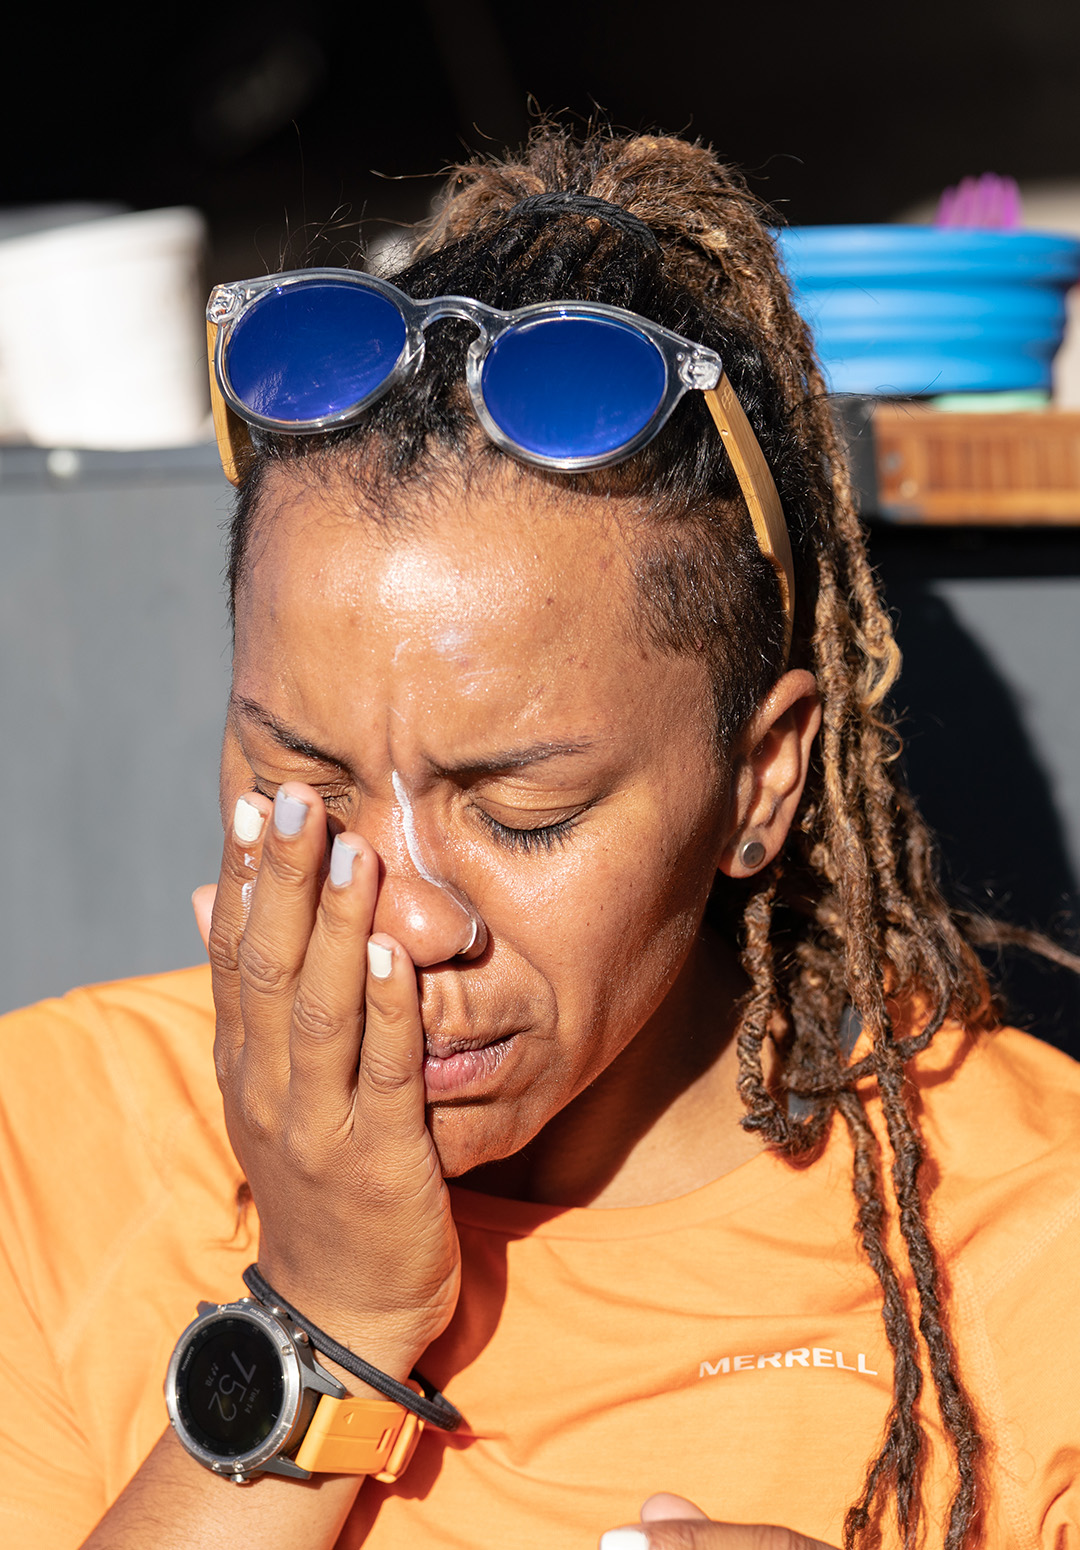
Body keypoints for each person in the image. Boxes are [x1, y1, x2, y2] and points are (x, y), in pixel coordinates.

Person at [2, 125, 1079, 1550]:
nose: (398, 915)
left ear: (759, 782)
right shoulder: (51, 1144)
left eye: (524, 814)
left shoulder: (1033, 1250)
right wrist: (325, 1313)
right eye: (301, 781)